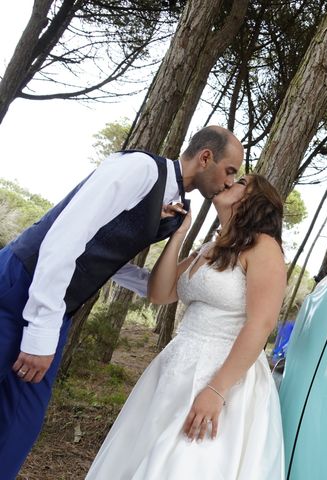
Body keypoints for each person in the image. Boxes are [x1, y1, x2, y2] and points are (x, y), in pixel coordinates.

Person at [0, 125, 243, 478]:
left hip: (59, 309)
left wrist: (157, 280)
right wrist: (41, 330)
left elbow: (108, 254)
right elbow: (65, 238)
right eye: (230, 170)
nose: (230, 181)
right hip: (20, 285)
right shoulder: (139, 170)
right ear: (206, 157)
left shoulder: (173, 204)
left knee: (20, 424)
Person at [86, 174, 287, 479]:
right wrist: (179, 235)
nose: (231, 181)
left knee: (184, 463)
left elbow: (261, 324)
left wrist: (217, 391)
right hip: (176, 365)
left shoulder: (264, 247)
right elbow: (160, 292)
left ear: (257, 202)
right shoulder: (211, 247)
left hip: (224, 375)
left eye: (242, 181)